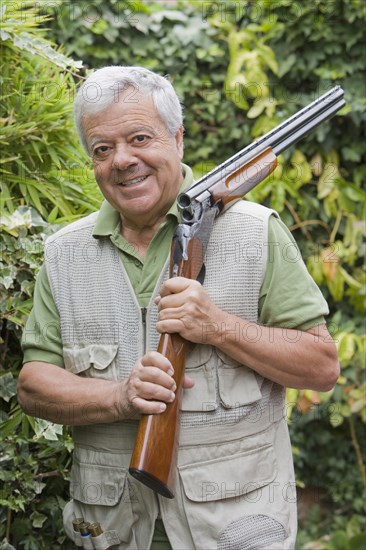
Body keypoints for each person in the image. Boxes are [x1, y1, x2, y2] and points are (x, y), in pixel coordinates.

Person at [18, 66, 339, 550]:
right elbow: (34, 385)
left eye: (140, 138)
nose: (123, 160)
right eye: (103, 149)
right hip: (113, 532)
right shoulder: (65, 252)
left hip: (233, 534)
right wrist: (120, 397)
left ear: (178, 138)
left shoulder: (256, 233)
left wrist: (220, 327)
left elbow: (321, 366)